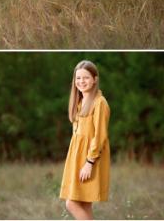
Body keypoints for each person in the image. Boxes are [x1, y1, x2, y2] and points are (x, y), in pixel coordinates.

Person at [59, 60, 110, 220]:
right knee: (84, 203)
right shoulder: (79, 102)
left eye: (86, 78)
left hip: (90, 158)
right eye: (78, 78)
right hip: (77, 156)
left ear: (95, 79)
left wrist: (89, 162)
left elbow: (100, 136)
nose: (81, 82)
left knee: (71, 203)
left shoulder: (99, 103)